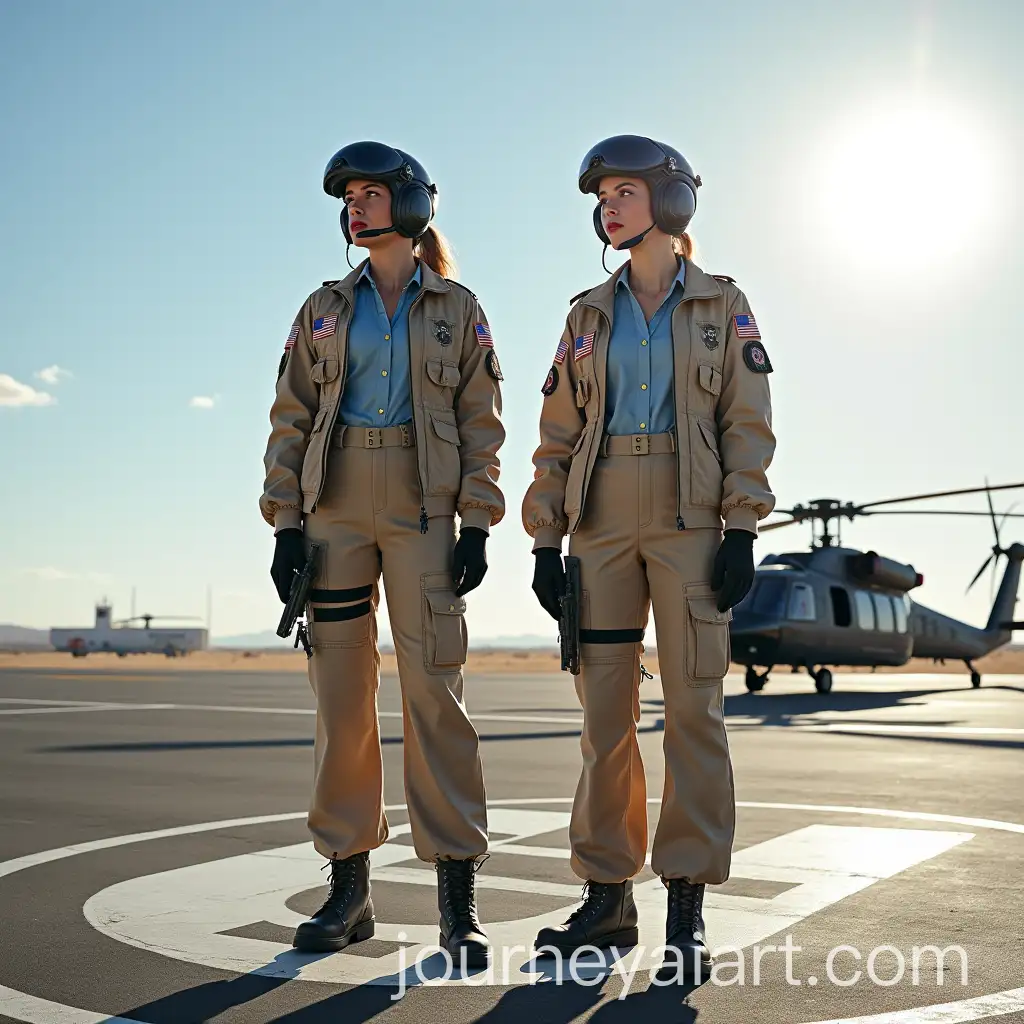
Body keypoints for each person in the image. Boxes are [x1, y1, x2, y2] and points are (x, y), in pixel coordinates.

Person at [521, 135, 776, 978]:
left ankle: (689, 907)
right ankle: (607, 897)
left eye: (623, 191)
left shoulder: (723, 305)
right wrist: (545, 540)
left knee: (696, 714)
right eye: (601, 197)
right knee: (605, 720)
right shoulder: (586, 315)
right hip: (599, 521)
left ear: (670, 202)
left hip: (690, 514)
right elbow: (558, 432)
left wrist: (741, 527)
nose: (607, 207)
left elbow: (747, 420)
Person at [261, 141, 505, 967]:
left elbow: (482, 421)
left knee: (436, 694)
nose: (355, 207)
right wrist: (285, 524)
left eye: (369, 193)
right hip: (334, 503)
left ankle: (457, 900)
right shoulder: (324, 307)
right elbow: (290, 415)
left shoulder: (458, 309)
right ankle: (349, 887)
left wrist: (477, 521)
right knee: (339, 697)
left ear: (408, 203)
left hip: (424, 500)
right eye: (349, 197)